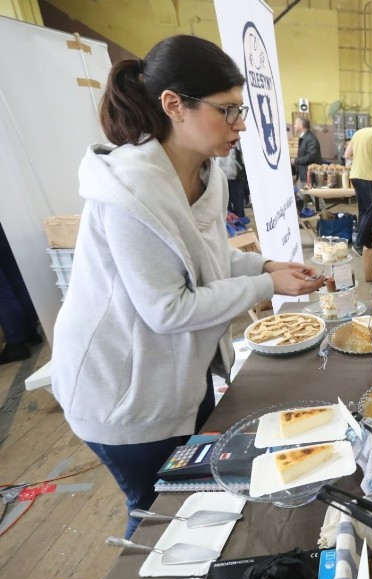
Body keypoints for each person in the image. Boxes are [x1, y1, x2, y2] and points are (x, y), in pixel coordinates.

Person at [51, 35, 323, 539]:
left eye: (240, 109)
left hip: (179, 374)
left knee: (195, 495)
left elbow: (210, 261)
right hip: (123, 391)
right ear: (173, 105)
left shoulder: (207, 174)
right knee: (157, 515)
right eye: (227, 111)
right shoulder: (129, 193)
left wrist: (267, 265)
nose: (240, 124)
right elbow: (168, 310)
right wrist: (264, 282)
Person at [345, 119, 372, 256]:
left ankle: (366, 242)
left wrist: (360, 158)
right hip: (366, 176)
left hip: (354, 175)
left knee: (364, 209)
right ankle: (359, 244)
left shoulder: (358, 133)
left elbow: (347, 155)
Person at [0, 223, 42, 364]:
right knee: (18, 284)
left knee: (3, 294)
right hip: (3, 231)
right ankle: (30, 332)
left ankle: (16, 344)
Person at [291, 116, 323, 188]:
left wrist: (295, 161)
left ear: (301, 126)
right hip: (303, 174)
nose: (294, 126)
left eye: (296, 124)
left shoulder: (310, 139)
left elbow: (311, 157)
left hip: (308, 175)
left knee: (304, 196)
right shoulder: (304, 138)